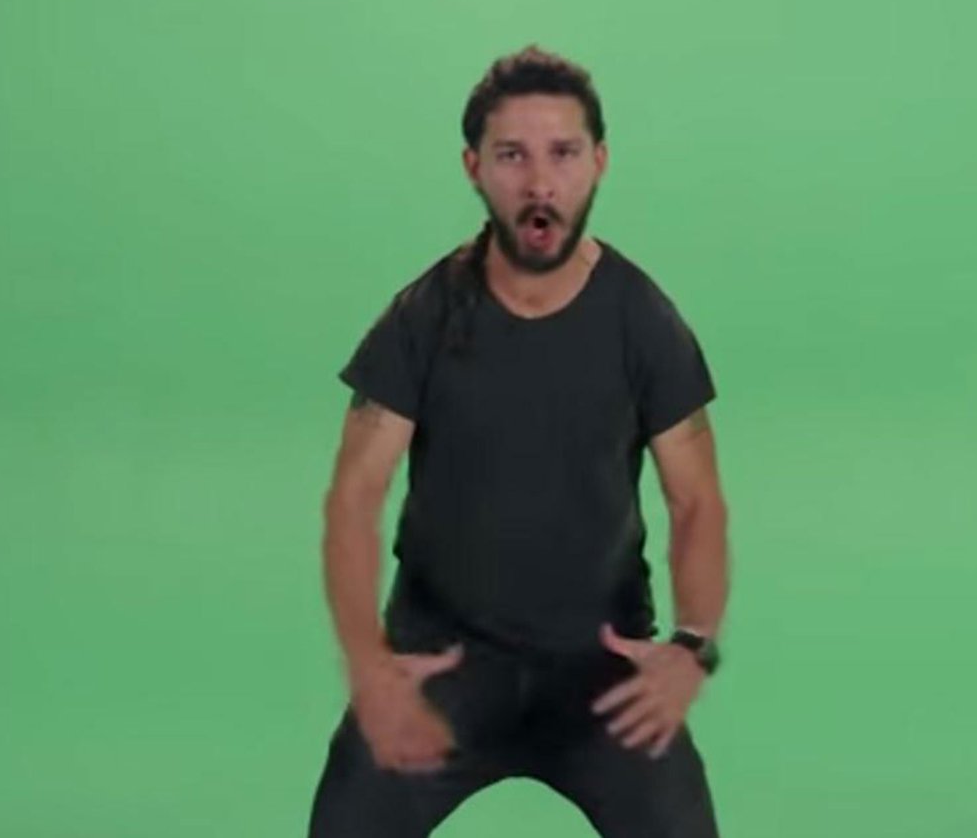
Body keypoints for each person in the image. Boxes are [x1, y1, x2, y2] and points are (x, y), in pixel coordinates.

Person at [308, 45, 731, 838]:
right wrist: (369, 666)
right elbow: (354, 498)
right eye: (512, 156)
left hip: (603, 675)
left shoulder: (643, 320)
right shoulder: (422, 317)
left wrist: (692, 645)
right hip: (442, 669)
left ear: (599, 162)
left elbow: (697, 500)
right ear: (474, 167)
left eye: (563, 153)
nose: (540, 183)